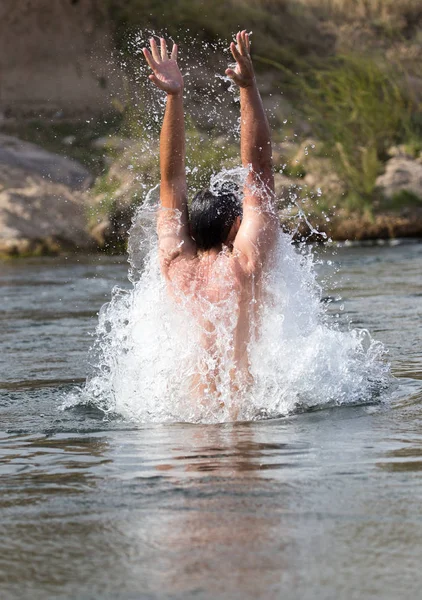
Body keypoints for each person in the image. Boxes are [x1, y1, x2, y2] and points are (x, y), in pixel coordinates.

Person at [142, 31, 277, 405]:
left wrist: (174, 95)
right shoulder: (244, 264)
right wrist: (247, 87)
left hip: (185, 429)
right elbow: (258, 172)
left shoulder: (175, 266)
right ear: (236, 225)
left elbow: (170, 180)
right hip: (240, 413)